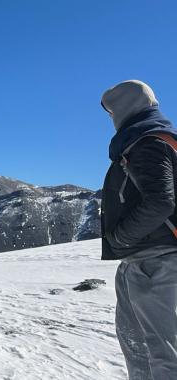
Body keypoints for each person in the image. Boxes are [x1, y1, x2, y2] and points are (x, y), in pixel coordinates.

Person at [100, 80, 177, 380]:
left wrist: (121, 237)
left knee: (161, 350)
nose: (111, 118)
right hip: (142, 260)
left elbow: (161, 201)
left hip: (156, 262)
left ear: (126, 108)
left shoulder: (149, 142)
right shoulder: (145, 141)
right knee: (137, 344)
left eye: (112, 111)